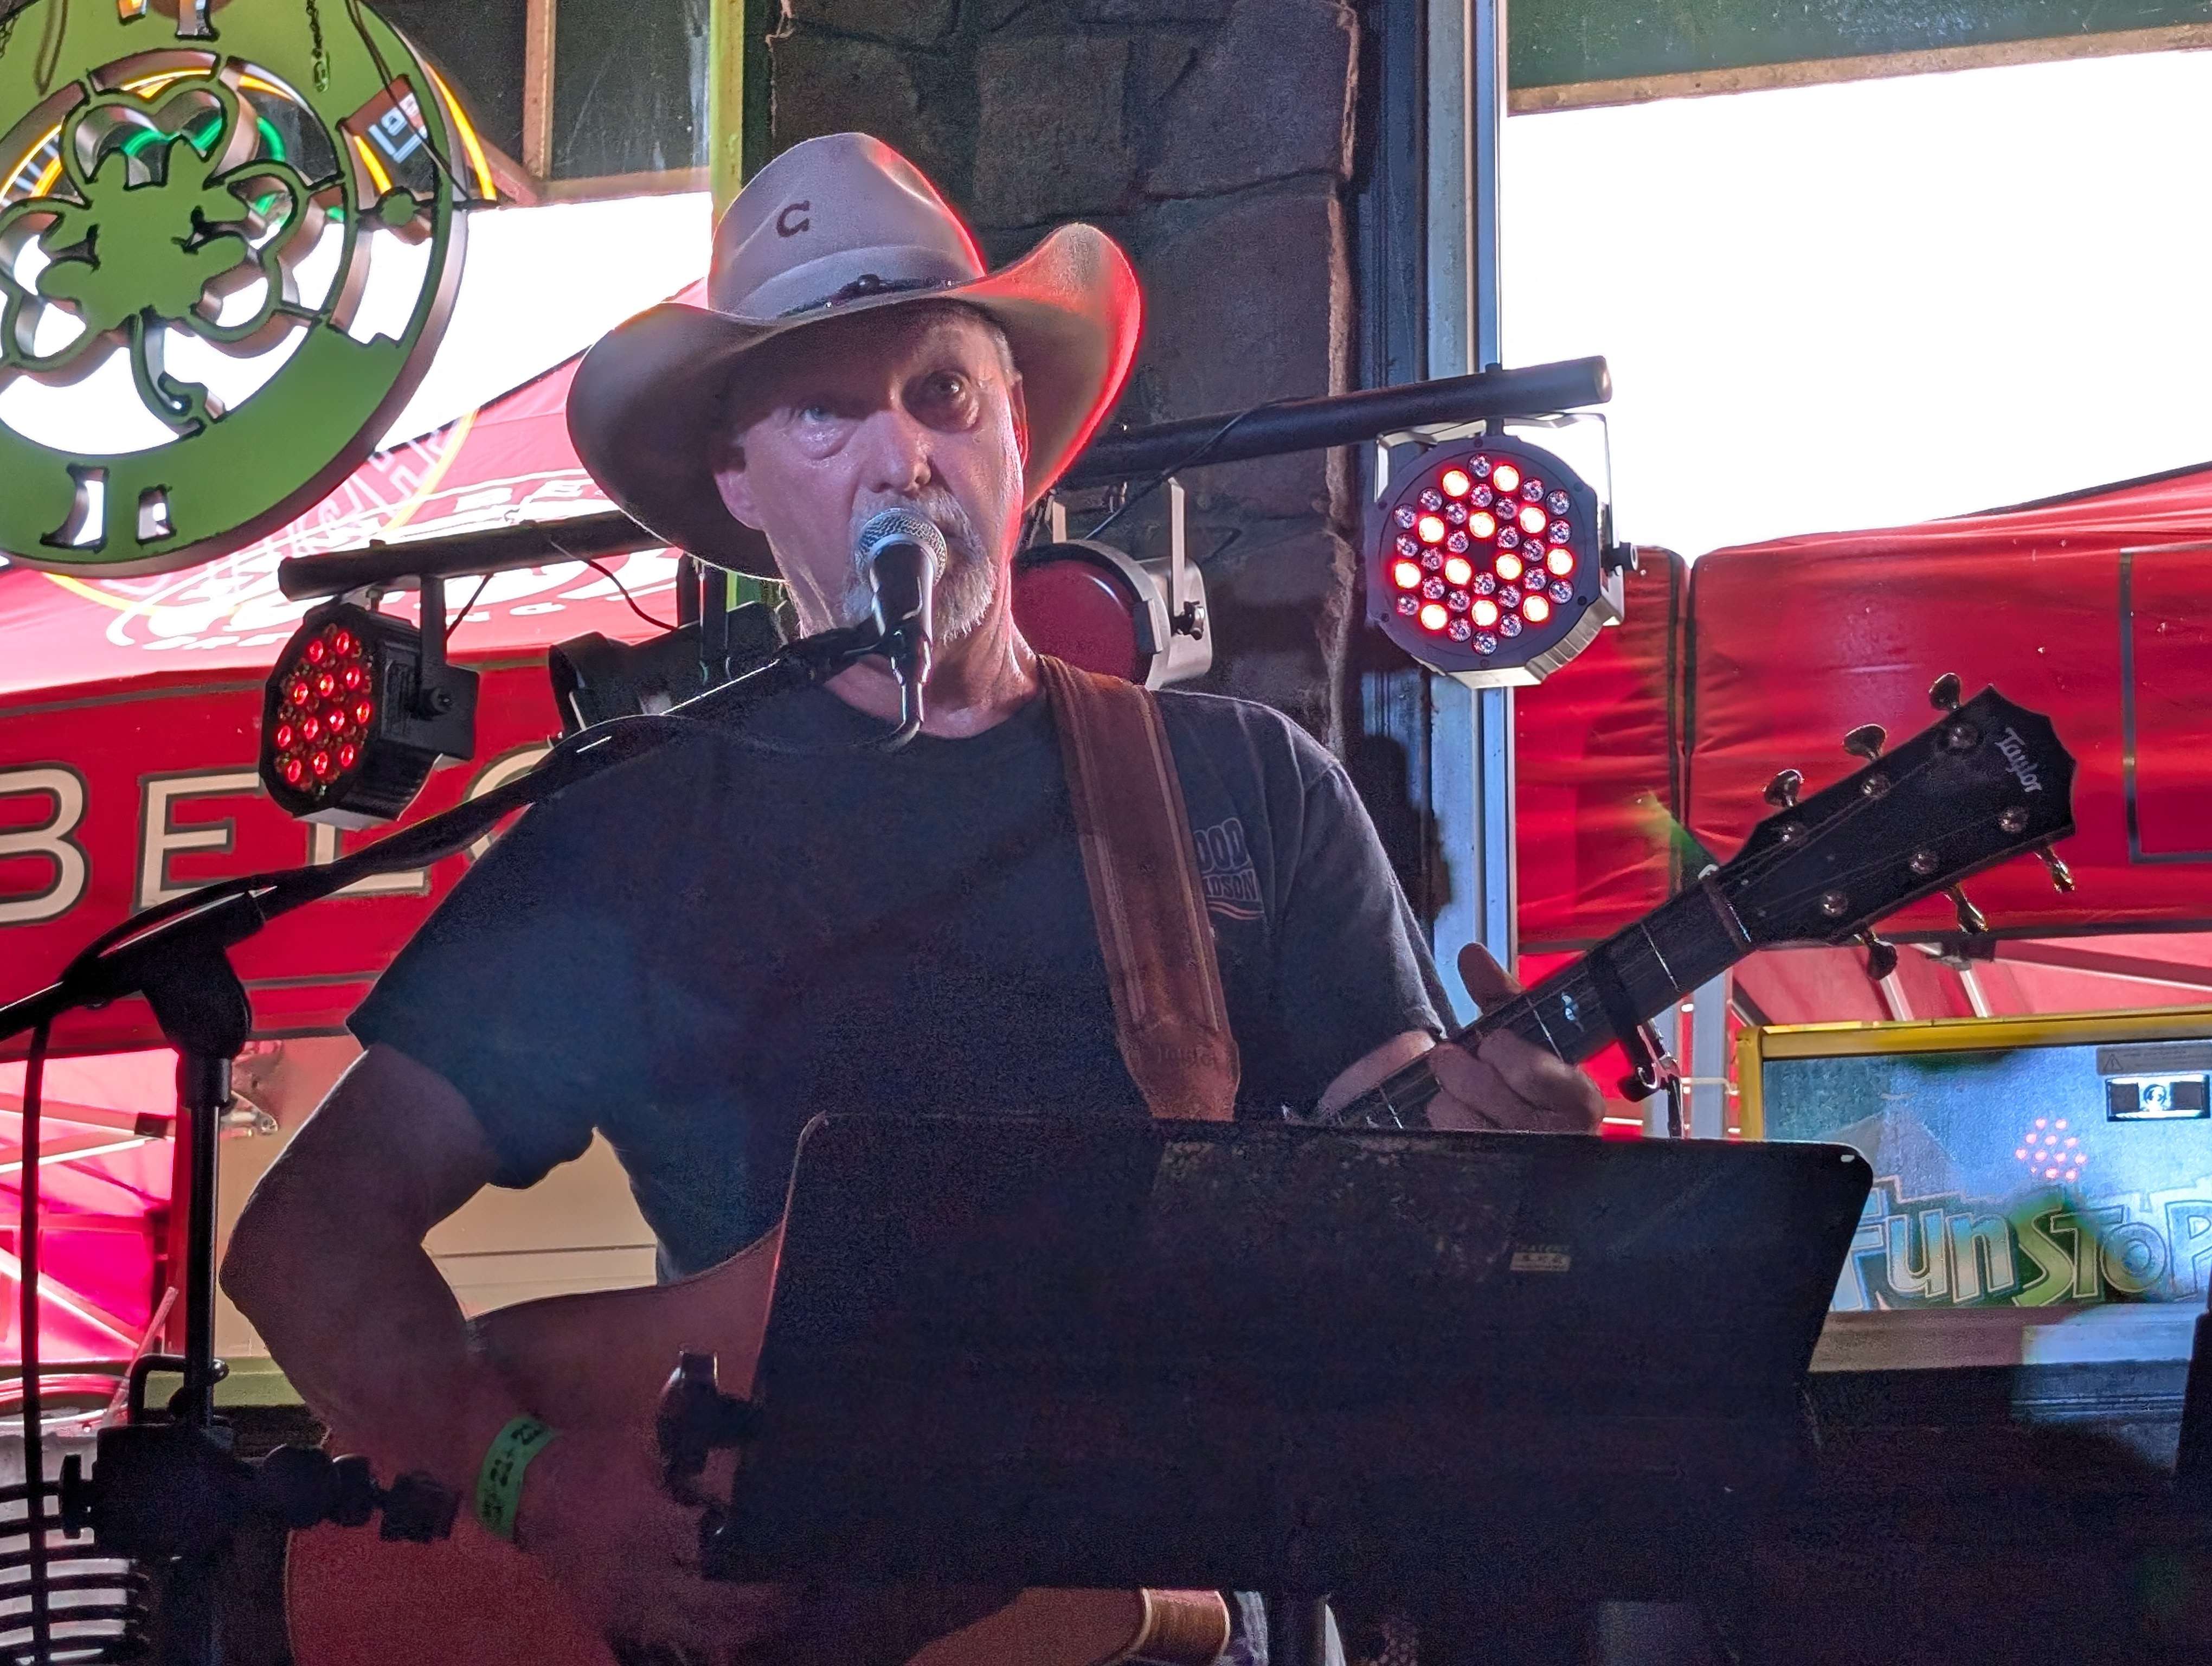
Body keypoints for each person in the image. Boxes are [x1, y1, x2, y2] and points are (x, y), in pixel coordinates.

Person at [222, 132, 1603, 1664]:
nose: (902, 452)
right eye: (827, 407)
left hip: (1148, 1602)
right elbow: (308, 1242)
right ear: (740, 481)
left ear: (1019, 431)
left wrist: (1508, 1185)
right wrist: (545, 1493)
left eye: (942, 391)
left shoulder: (1239, 787)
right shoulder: (636, 832)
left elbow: (1404, 1232)